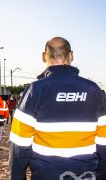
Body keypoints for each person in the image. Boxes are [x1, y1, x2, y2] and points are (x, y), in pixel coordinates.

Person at [9, 37, 106, 180]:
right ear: (71, 56)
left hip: (46, 175)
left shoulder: (35, 91)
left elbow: (19, 145)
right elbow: (103, 142)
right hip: (87, 174)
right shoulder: (94, 90)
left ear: (43, 56)